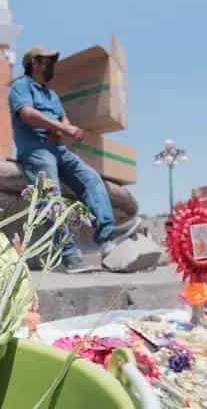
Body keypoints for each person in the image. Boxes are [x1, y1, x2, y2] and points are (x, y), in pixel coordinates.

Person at [9, 46, 137, 273]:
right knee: (49, 188)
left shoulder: (52, 95)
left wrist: (65, 130)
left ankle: (107, 239)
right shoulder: (21, 86)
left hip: (58, 148)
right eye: (48, 62)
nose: (52, 67)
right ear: (35, 64)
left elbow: (64, 122)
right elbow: (27, 114)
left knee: (91, 178)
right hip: (35, 150)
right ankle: (67, 253)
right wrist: (60, 127)